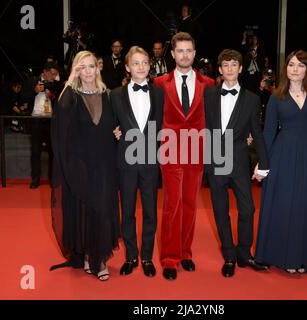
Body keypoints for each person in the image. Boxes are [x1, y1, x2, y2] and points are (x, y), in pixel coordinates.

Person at [255, 50, 307, 276]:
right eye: (291, 65)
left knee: (306, 205)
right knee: (284, 205)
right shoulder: (276, 97)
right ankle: (285, 257)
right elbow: (267, 133)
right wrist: (262, 162)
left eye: (300, 65)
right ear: (285, 68)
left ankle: (305, 257)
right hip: (282, 155)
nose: (294, 69)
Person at [50, 51, 120, 281]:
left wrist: (119, 132)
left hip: (105, 162)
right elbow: (60, 111)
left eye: (92, 66)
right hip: (81, 164)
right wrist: (70, 78)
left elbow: (119, 122)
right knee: (86, 210)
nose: (88, 71)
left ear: (98, 68)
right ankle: (90, 256)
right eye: (83, 67)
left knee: (102, 209)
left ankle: (100, 257)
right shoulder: (71, 96)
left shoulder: (108, 95)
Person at [153, 32, 214, 280]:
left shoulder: (208, 84)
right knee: (172, 204)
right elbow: (151, 116)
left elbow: (215, 119)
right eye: (180, 51)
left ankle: (186, 252)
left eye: (189, 50)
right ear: (173, 54)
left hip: (197, 151)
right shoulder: (159, 83)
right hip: (170, 151)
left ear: (195, 53)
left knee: (190, 203)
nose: (185, 55)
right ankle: (169, 257)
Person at [204, 49, 270, 277]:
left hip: (240, 159)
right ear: (220, 70)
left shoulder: (252, 99)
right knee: (221, 210)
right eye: (225, 65)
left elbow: (257, 133)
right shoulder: (209, 95)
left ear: (241, 68)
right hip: (214, 161)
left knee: (248, 208)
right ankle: (229, 255)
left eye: (234, 65)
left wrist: (265, 162)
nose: (230, 69)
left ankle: (244, 252)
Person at [111, 46, 164, 277]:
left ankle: (147, 257)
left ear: (149, 66)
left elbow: (163, 124)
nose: (141, 67)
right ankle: (131, 256)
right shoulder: (114, 95)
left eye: (144, 62)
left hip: (151, 161)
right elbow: (109, 124)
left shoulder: (159, 93)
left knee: (151, 212)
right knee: (128, 211)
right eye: (136, 63)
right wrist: (113, 132)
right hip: (126, 161)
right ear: (127, 67)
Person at [20, 62, 61, 189]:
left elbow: (62, 102)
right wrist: (35, 91)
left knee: (53, 152)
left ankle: (53, 179)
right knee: (35, 151)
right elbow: (22, 98)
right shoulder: (32, 81)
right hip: (36, 120)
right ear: (45, 72)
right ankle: (35, 178)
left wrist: (53, 96)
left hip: (51, 121)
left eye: (56, 74)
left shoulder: (57, 84)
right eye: (52, 73)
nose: (54, 76)